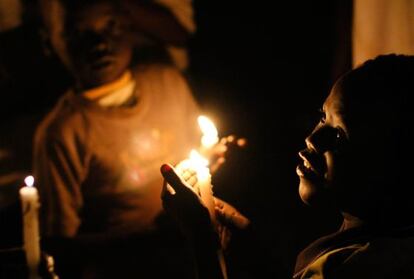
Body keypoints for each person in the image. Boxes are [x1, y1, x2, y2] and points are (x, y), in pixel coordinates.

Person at [160, 54, 414, 278]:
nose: (312, 139)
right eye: (323, 117)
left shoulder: (363, 268)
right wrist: (256, 258)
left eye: (339, 135)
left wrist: (204, 244)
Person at [33, 0, 202, 278]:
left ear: (127, 24)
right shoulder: (62, 133)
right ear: (50, 41)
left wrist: (216, 160)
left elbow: (200, 164)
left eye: (109, 26)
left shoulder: (168, 83)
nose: (98, 44)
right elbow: (61, 245)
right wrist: (154, 235)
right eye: (77, 34)